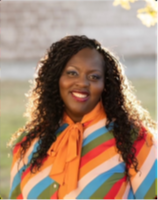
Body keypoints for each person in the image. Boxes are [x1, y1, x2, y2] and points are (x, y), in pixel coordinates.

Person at [9, 35, 157, 200]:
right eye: (72, 73)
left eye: (94, 77)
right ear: (56, 78)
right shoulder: (29, 143)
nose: (82, 83)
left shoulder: (134, 139)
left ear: (105, 85)